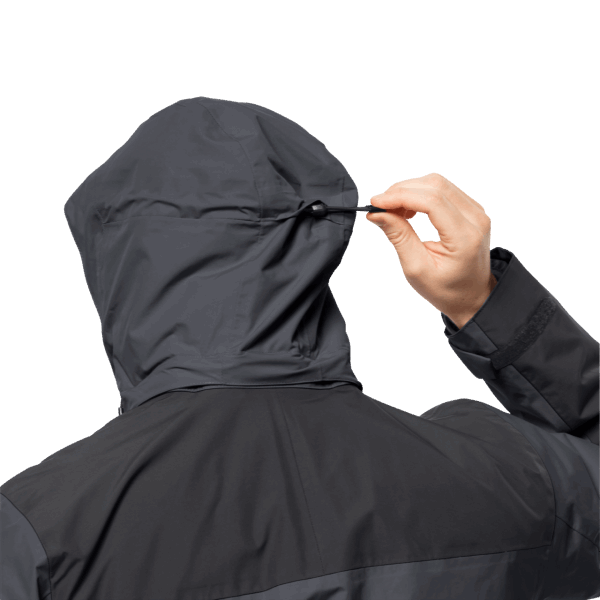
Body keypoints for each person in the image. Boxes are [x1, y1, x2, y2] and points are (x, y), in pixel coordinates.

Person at [1, 98, 598, 600]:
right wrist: (483, 303)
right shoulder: (511, 474)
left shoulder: (35, 531)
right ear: (321, 238)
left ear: (115, 263)